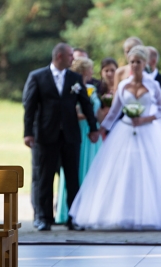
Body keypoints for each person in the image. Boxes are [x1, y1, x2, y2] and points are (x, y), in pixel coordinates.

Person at [69, 45, 161, 230]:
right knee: (123, 170)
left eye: (138, 62)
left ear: (145, 63)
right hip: (125, 130)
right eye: (132, 62)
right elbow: (114, 112)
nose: (135, 65)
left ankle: (148, 215)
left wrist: (145, 118)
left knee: (148, 170)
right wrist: (101, 129)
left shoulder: (154, 85)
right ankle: (120, 214)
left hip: (147, 131)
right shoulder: (122, 85)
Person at [23, 43, 100, 231]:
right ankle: (43, 218)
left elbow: (86, 103)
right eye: (70, 56)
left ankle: (73, 218)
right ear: (59, 57)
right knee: (44, 177)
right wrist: (28, 133)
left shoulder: (74, 78)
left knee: (73, 177)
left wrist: (92, 127)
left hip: (70, 135)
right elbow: (30, 107)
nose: (73, 59)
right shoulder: (38, 77)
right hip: (46, 135)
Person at [55, 57, 103, 226]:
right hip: (79, 132)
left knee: (92, 170)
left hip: (92, 134)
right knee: (75, 171)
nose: (92, 72)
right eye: (90, 69)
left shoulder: (91, 88)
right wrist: (89, 117)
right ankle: (69, 212)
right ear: (84, 71)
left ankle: (90, 211)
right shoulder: (72, 87)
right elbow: (72, 111)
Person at [96, 57, 118, 123]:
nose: (109, 74)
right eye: (106, 71)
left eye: (112, 70)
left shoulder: (122, 87)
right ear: (101, 73)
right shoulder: (97, 88)